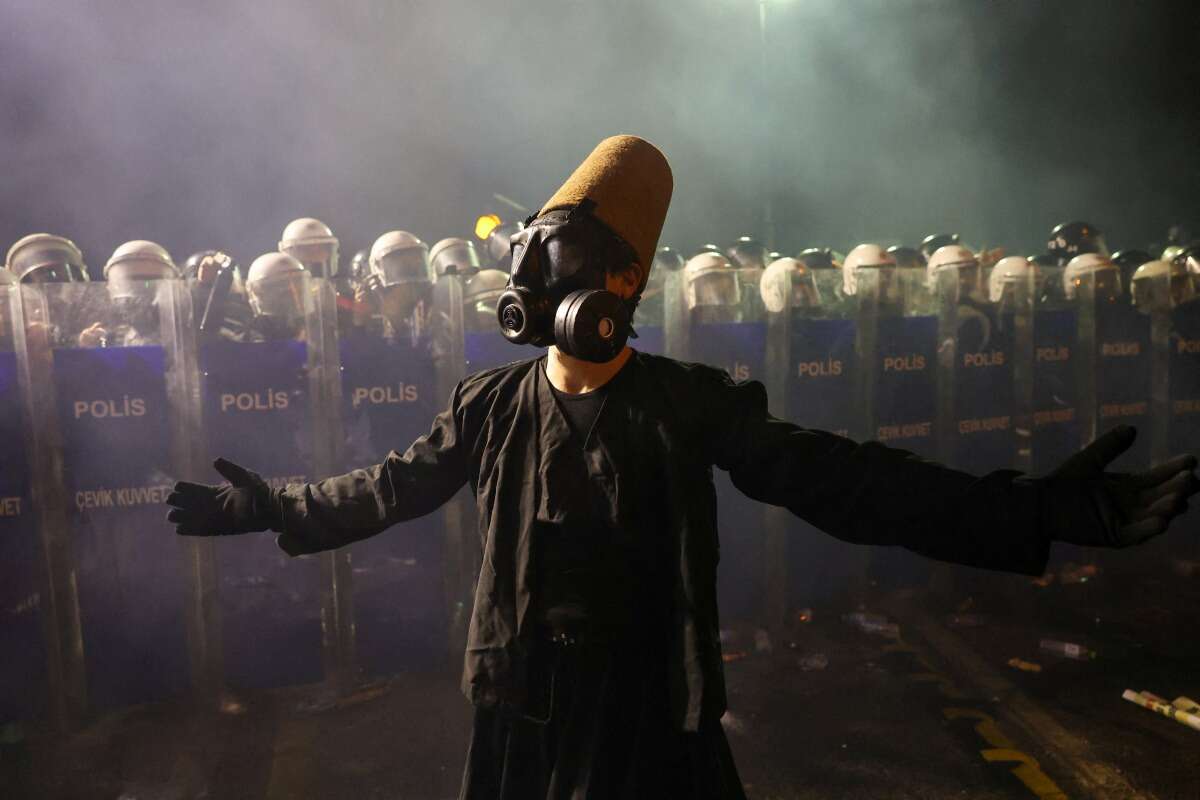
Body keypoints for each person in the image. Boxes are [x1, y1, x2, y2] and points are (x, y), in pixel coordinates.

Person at [165, 136, 1199, 800]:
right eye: (533, 249)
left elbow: (849, 483)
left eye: (562, 253)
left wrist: (1032, 512)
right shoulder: (490, 404)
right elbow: (387, 488)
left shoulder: (688, 403)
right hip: (521, 705)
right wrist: (270, 507)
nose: (533, 273)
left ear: (622, 282)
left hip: (650, 714)